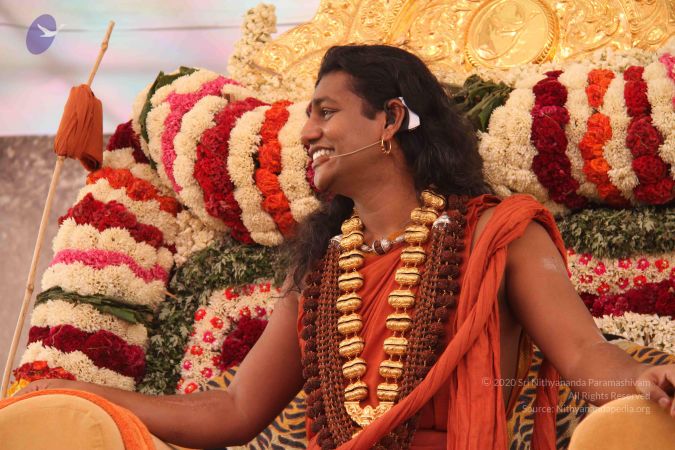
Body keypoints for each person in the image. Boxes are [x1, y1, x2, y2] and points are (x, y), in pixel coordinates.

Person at [9, 45, 675, 449]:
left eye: (325, 111)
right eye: (307, 115)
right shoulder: (321, 268)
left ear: (391, 119)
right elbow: (233, 411)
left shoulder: (498, 234)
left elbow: (585, 355)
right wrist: (76, 390)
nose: (306, 133)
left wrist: (642, 378)